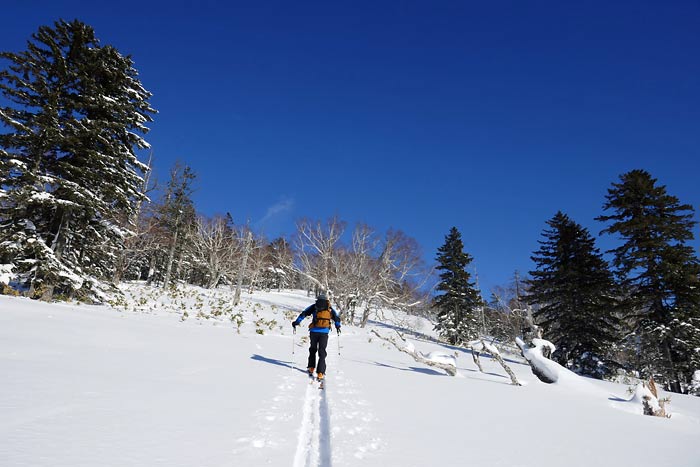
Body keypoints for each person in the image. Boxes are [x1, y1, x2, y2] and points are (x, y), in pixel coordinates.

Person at [292, 293, 341, 381]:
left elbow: (304, 313)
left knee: (313, 349)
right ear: (327, 300)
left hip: (314, 331)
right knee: (322, 351)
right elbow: (336, 318)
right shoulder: (329, 308)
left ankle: (311, 367)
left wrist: (296, 322)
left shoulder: (314, 306)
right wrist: (338, 326)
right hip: (324, 332)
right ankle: (320, 373)